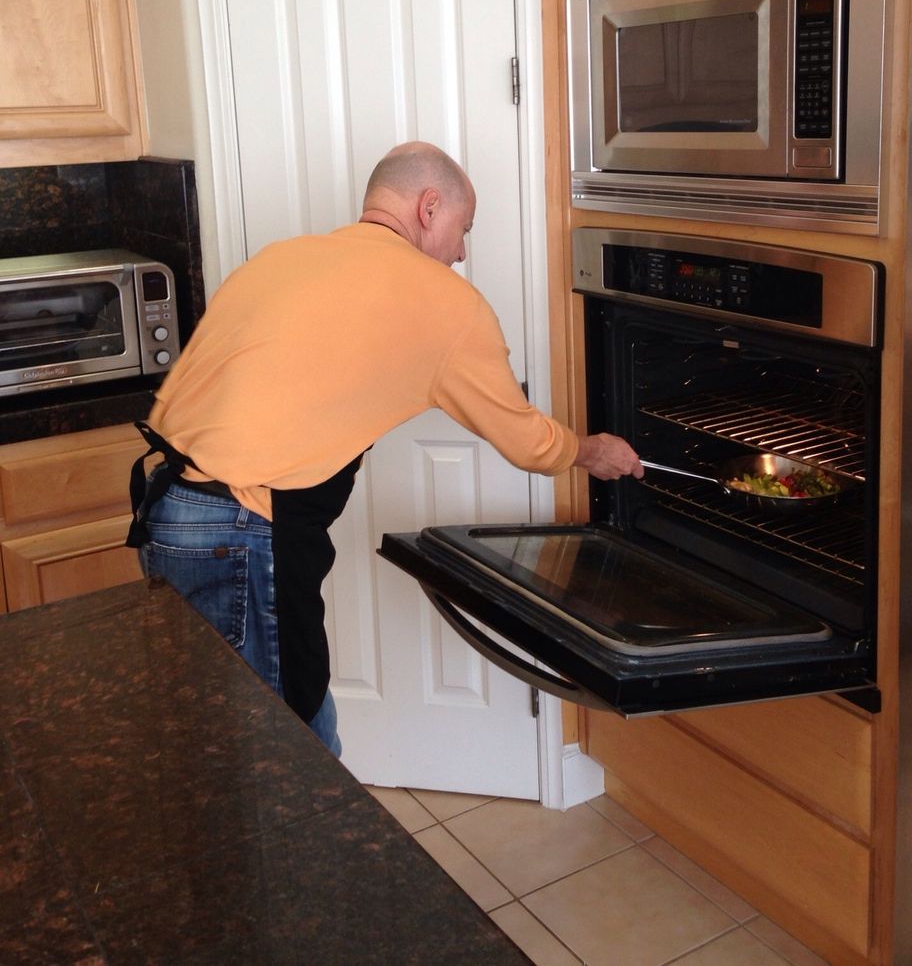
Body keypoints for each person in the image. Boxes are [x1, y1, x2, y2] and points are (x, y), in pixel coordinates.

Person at [127, 142, 641, 754]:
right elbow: (527, 441)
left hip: (167, 510)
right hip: (243, 529)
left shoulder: (283, 258)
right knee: (285, 756)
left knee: (212, 734)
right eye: (464, 228)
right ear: (429, 207)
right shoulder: (446, 304)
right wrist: (591, 451)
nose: (463, 250)